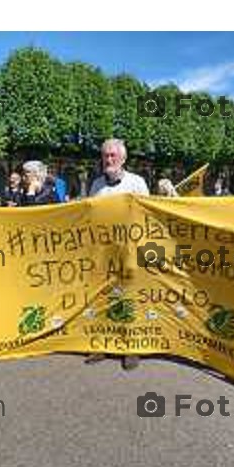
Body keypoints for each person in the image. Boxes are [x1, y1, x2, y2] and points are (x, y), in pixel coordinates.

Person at [86, 138, 150, 371]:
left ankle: (131, 347)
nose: (108, 159)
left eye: (113, 155)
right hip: (103, 252)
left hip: (130, 250)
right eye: (105, 155)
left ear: (123, 158)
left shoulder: (137, 182)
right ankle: (102, 344)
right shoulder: (96, 185)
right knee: (103, 296)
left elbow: (148, 214)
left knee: (129, 297)